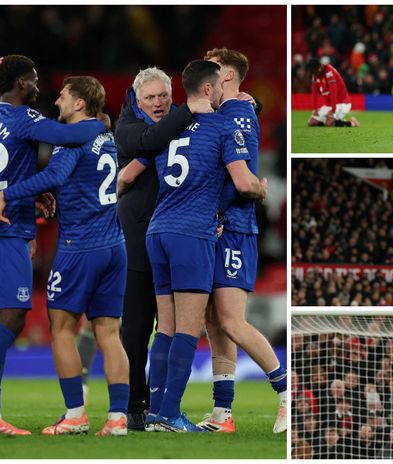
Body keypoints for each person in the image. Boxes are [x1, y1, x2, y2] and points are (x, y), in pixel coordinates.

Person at [0, 54, 105, 436]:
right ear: (19, 85)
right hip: (4, 231)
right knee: (14, 319)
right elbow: (75, 135)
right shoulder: (25, 118)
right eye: (33, 81)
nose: (38, 88)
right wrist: (99, 122)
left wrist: (27, 196)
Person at [118, 60, 266, 432]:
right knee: (187, 328)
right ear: (208, 89)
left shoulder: (167, 130)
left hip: (156, 232)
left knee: (164, 328)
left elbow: (124, 176)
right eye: (218, 88)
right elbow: (244, 183)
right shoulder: (221, 125)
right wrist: (262, 188)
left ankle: (153, 413)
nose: (221, 94)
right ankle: (169, 413)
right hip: (193, 234)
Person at [0, 76, 131, 436]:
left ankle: (75, 415)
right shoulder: (105, 136)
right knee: (109, 333)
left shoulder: (72, 140)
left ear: (81, 103)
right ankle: (117, 418)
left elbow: (54, 175)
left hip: (79, 247)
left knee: (62, 328)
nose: (57, 102)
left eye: (64, 97)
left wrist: (10, 194)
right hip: (114, 245)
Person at [113, 66, 213, 430]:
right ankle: (134, 404)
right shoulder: (126, 128)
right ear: (136, 100)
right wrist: (187, 112)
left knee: (172, 327)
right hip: (139, 238)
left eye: (163, 96)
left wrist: (247, 104)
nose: (158, 103)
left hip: (178, 235)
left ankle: (162, 407)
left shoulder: (183, 121)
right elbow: (151, 139)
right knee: (137, 328)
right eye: (150, 98)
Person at [195, 47, 287, 434]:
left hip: (232, 227)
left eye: (213, 69)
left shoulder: (239, 114)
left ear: (228, 77)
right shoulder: (227, 112)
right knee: (214, 322)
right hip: (215, 226)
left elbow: (242, 180)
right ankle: (222, 413)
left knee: (232, 320)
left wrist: (223, 210)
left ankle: (287, 394)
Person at [306, 58, 359, 127]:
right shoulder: (315, 75)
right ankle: (333, 121)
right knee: (311, 122)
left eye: (315, 71)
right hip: (328, 105)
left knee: (329, 123)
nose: (314, 74)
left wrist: (333, 109)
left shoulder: (329, 72)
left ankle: (352, 123)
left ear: (319, 68)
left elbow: (333, 91)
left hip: (341, 103)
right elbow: (314, 93)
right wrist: (315, 109)